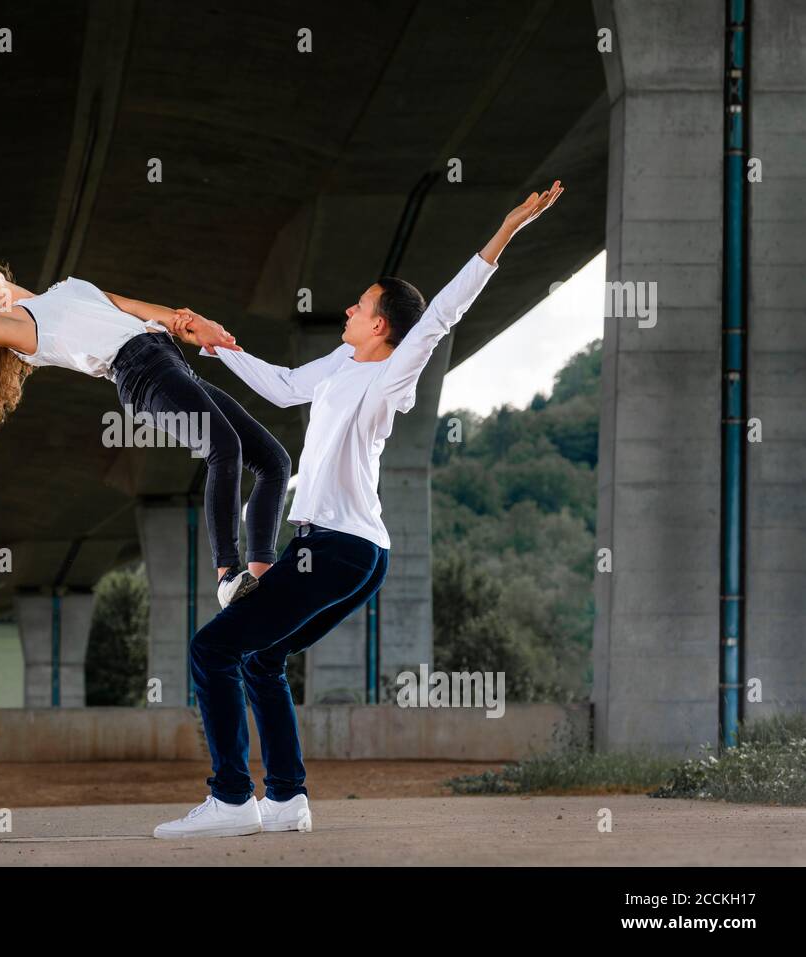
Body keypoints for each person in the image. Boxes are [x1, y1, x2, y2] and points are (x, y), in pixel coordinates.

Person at [153, 181, 564, 839]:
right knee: (260, 659)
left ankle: (232, 798)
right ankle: (286, 799)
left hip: (337, 549)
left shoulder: (391, 375)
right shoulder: (345, 362)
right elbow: (285, 388)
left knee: (211, 650)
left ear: (382, 324)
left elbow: (443, 314)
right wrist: (214, 343)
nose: (347, 307)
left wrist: (507, 228)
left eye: (360, 304)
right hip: (347, 550)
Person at [0, 267, 290, 606]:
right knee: (222, 448)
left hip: (169, 359)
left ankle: (261, 573)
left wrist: (193, 324)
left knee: (273, 462)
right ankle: (228, 576)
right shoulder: (16, 330)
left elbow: (130, 307)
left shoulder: (68, 287)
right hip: (142, 376)